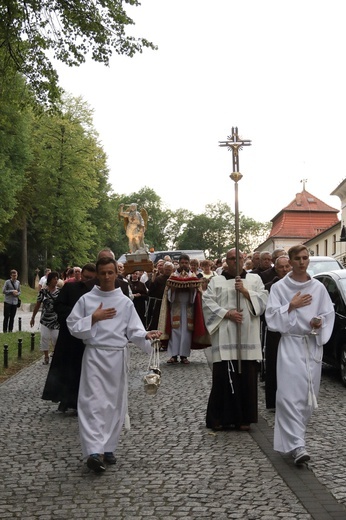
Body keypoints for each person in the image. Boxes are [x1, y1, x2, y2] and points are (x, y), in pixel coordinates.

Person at [66, 256, 161, 473]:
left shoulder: (125, 302)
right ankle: (93, 451)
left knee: (114, 403)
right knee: (91, 403)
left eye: (111, 272)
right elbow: (72, 326)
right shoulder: (86, 300)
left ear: (116, 274)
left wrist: (147, 335)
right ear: (97, 275)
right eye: (103, 273)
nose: (107, 277)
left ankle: (108, 447)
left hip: (116, 357)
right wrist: (94, 318)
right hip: (94, 356)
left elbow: (133, 330)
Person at [265, 245, 335, 464]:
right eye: (298, 258)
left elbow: (327, 313)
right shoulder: (279, 288)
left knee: (306, 397)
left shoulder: (318, 287)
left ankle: (296, 440)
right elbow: (272, 318)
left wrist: (319, 321)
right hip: (290, 345)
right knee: (287, 396)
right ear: (291, 261)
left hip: (311, 345)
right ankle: (297, 445)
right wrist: (291, 306)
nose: (302, 262)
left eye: (305, 258)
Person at [202, 248, 268, 431]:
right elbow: (206, 302)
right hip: (225, 334)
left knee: (246, 378)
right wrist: (227, 313)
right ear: (226, 261)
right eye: (231, 259)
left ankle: (244, 419)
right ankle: (220, 418)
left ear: (244, 259)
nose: (235, 262)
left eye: (238, 258)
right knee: (223, 377)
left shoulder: (254, 279)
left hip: (247, 334)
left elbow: (263, 301)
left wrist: (246, 292)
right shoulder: (216, 281)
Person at [41, 263, 97, 412]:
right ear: (80, 275)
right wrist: (76, 314)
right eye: (85, 277)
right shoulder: (70, 288)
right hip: (69, 337)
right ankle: (66, 399)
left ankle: (83, 401)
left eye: (91, 278)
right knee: (68, 369)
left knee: (85, 371)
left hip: (89, 339)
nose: (87, 281)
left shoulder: (98, 293)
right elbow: (58, 306)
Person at [262, 255, 291, 409]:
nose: (285, 270)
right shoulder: (269, 286)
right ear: (276, 268)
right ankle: (273, 401)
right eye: (281, 267)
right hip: (275, 331)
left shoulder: (299, 284)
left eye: (287, 266)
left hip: (293, 332)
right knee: (273, 365)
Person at [30, 271, 60, 364]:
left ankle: (55, 354)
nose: (56, 280)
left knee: (56, 338)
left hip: (56, 319)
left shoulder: (60, 292)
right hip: (45, 319)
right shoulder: (43, 291)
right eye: (54, 278)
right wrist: (33, 317)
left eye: (57, 278)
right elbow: (38, 304)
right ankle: (46, 357)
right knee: (44, 337)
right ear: (50, 280)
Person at [146, 261, 174, 331]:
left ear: (172, 270)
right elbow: (151, 291)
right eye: (166, 269)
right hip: (159, 303)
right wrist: (153, 278)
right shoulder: (159, 278)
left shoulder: (174, 279)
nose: (167, 271)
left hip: (170, 303)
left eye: (169, 270)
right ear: (163, 269)